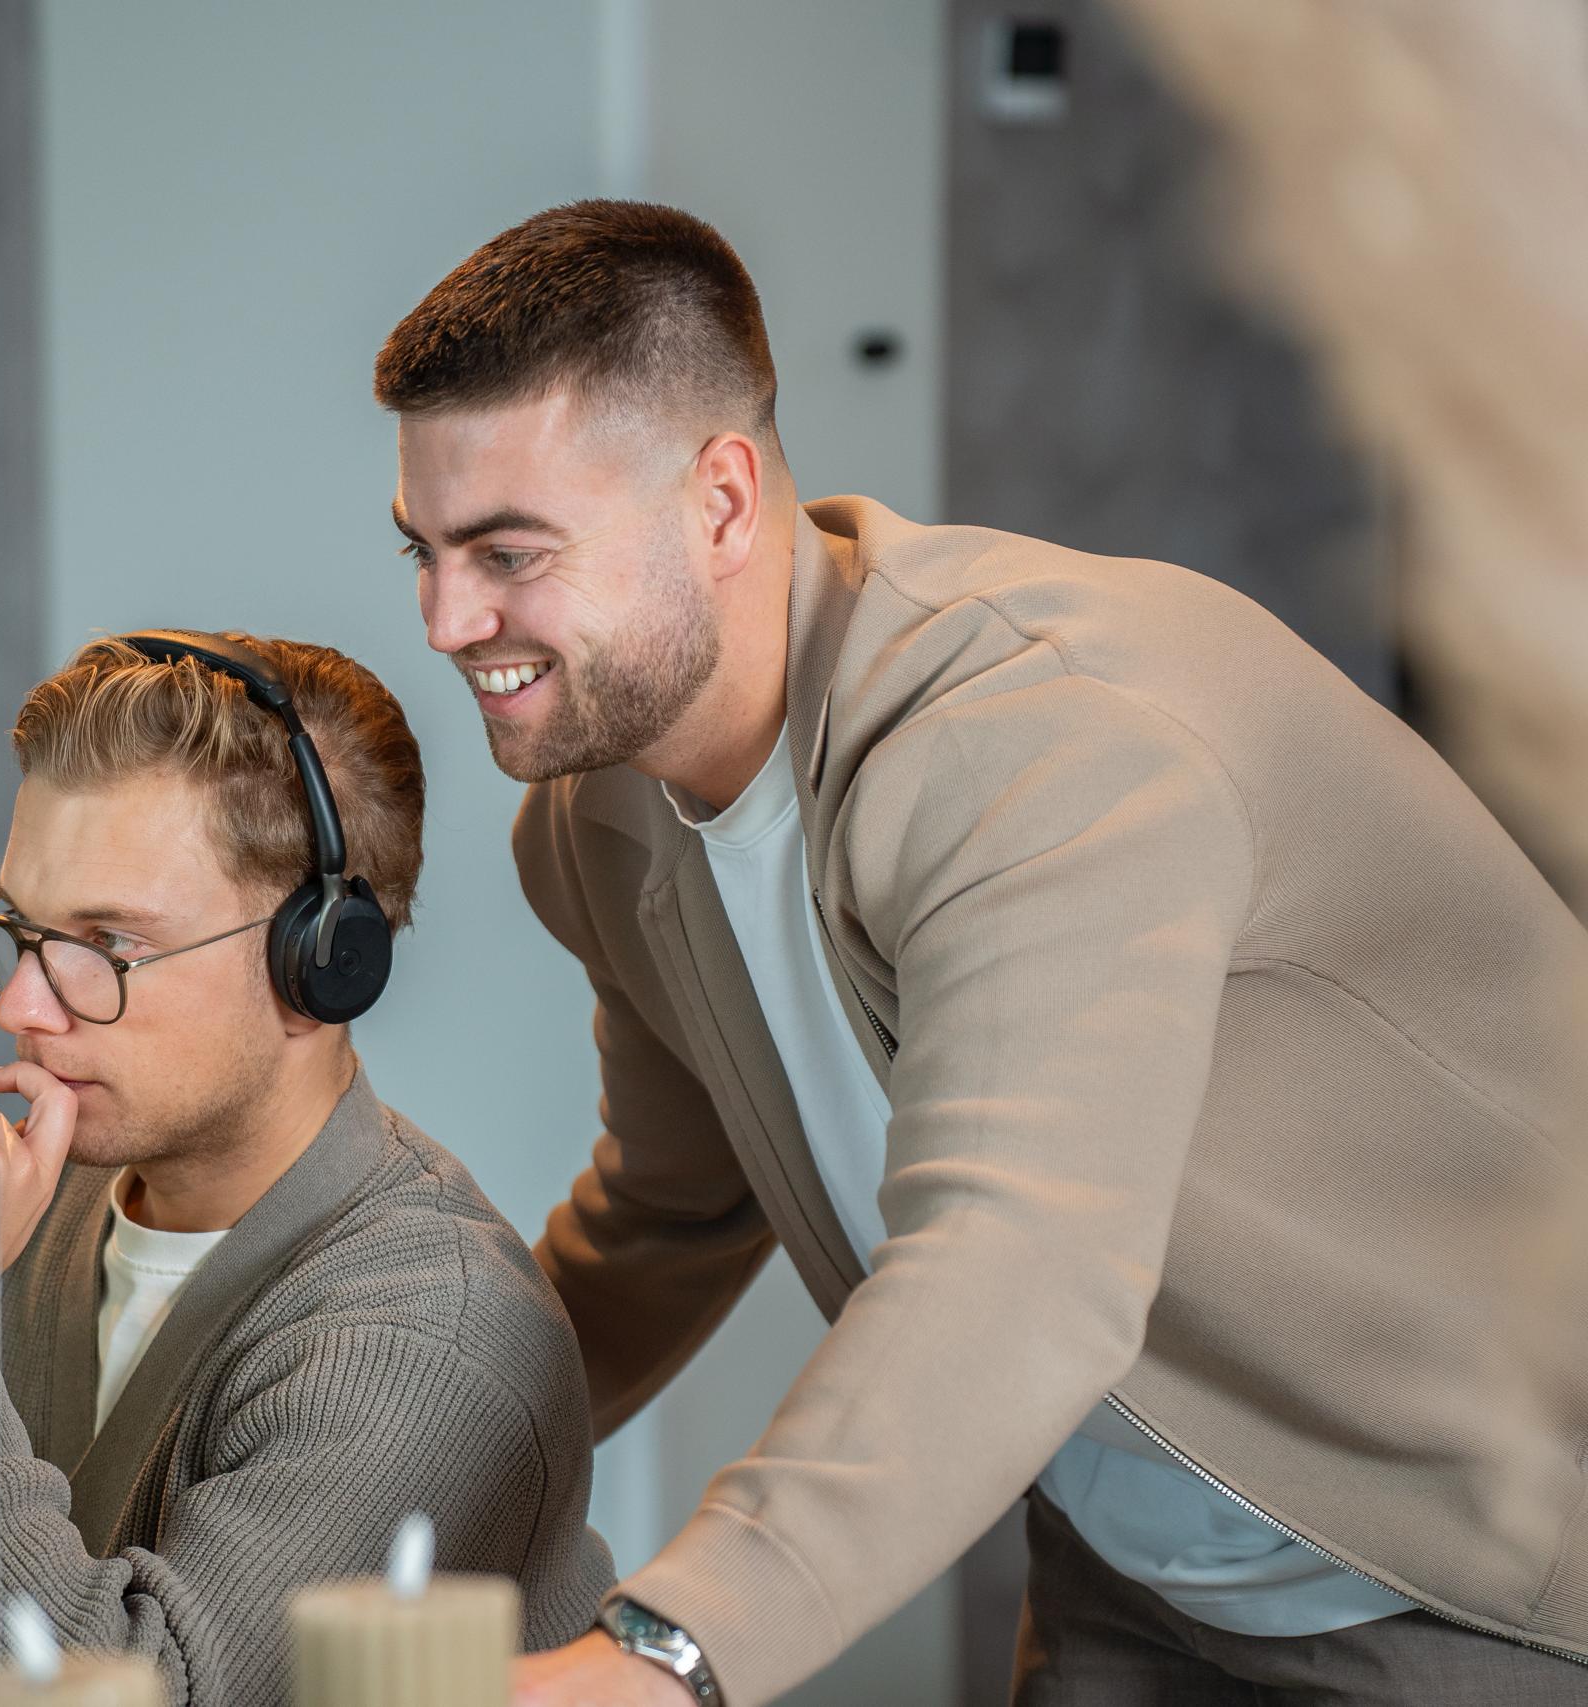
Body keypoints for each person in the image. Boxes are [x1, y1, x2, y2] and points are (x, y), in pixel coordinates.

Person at [374, 201, 1588, 1705]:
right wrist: (363, 1483)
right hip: (1129, 1578)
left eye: (508, 551)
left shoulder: (1038, 739)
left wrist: (668, 1651)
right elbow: (668, 1216)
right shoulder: (599, 824)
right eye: (422, 550)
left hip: (1481, 1576)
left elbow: (1018, 1263)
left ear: (723, 501)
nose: (446, 619)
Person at [0, 631, 615, 1704]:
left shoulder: (430, 1336)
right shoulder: (17, 1208)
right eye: (22, 932)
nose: (19, 1006)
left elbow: (148, 1693)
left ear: (318, 966)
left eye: (110, 945)